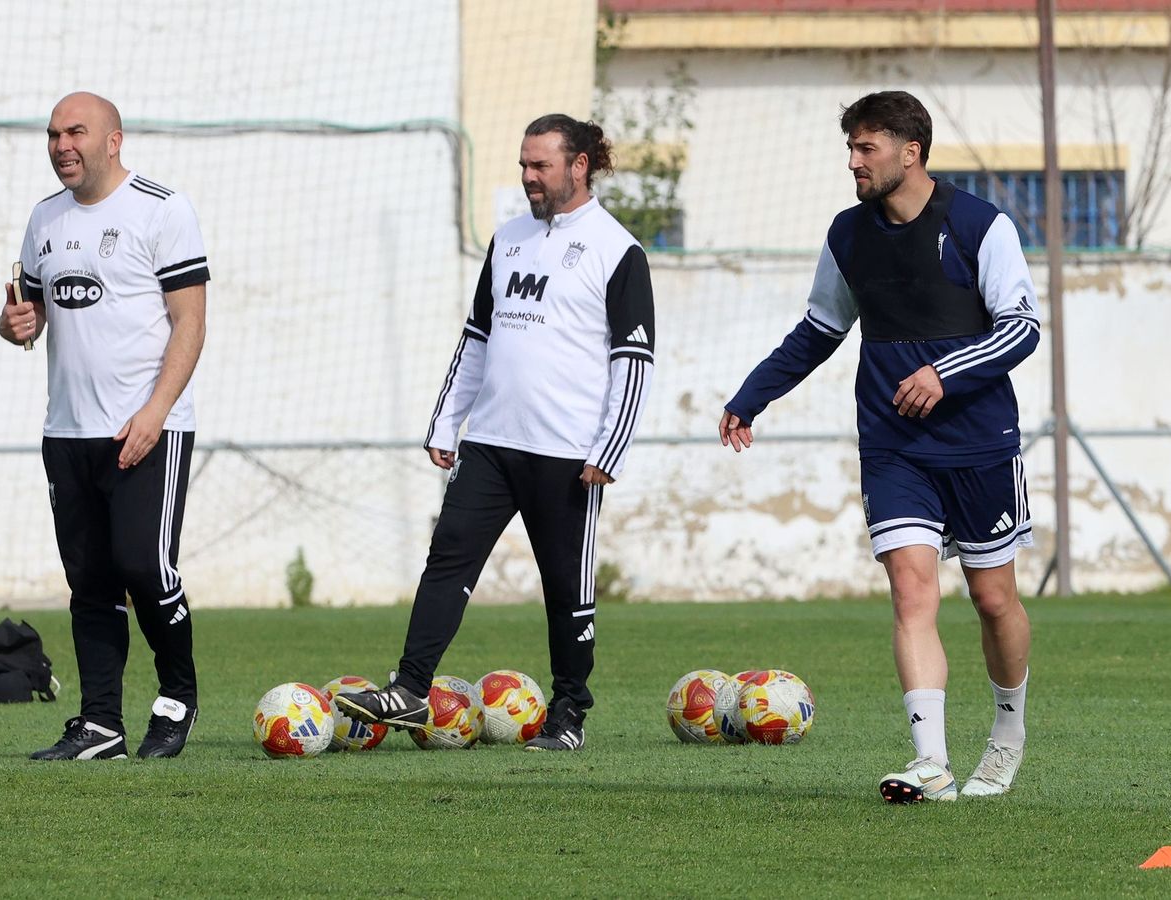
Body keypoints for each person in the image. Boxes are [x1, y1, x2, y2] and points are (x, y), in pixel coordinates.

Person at [720, 91, 1038, 801]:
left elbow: (1022, 328)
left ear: (910, 152)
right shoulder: (848, 233)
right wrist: (750, 396)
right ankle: (931, 763)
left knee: (992, 599)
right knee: (911, 590)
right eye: (851, 149)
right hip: (893, 444)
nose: (854, 163)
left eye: (866, 149)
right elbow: (819, 330)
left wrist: (943, 373)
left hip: (979, 443)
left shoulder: (979, 225)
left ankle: (1008, 734)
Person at [336, 113, 656, 751]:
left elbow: (634, 358)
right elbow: (477, 338)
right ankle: (408, 689)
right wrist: (447, 420)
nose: (528, 177)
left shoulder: (618, 250)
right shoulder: (507, 239)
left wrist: (609, 447)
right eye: (523, 164)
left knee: (567, 587)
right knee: (447, 558)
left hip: (568, 455)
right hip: (490, 444)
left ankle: (568, 718)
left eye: (540, 165)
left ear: (579, 164)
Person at [0, 92, 210, 760]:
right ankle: (99, 726)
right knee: (89, 581)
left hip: (149, 427)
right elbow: (23, 315)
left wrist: (154, 413)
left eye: (76, 132)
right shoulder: (44, 219)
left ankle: (177, 702)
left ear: (113, 140)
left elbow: (190, 322)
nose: (63, 145)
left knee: (145, 569)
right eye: (54, 134)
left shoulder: (162, 209)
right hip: (67, 432)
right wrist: (13, 325)